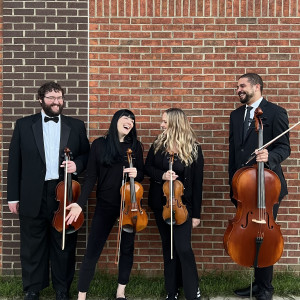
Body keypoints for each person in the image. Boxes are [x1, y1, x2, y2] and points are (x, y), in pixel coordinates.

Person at [7, 82, 90, 300]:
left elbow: (87, 157)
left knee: (64, 243)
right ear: (40, 100)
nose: (56, 101)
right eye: (51, 97)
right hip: (32, 193)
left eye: (59, 97)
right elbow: (14, 163)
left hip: (64, 193)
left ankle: (62, 289)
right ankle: (33, 288)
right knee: (32, 245)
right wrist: (13, 197)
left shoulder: (76, 126)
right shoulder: (24, 125)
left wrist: (77, 165)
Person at [65, 109, 144, 300]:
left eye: (132, 120)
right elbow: (91, 177)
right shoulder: (100, 145)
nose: (130, 121)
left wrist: (136, 173)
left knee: (127, 248)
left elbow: (141, 175)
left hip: (129, 206)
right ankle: (82, 294)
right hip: (105, 205)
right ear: (116, 120)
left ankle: (120, 292)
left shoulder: (135, 146)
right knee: (93, 249)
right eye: (126, 118)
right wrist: (79, 204)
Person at [228, 73, 290, 300]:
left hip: (268, 187)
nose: (238, 90)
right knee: (251, 234)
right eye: (237, 87)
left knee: (263, 235)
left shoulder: (276, 112)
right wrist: (233, 185)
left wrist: (269, 156)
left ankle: (266, 288)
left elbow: (285, 148)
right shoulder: (236, 115)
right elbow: (233, 153)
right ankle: (256, 284)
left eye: (242, 86)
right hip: (244, 186)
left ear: (257, 86)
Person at [145, 108, 203, 300]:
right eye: (162, 122)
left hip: (183, 207)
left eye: (164, 122)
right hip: (161, 205)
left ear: (175, 123)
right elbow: (147, 168)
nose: (161, 125)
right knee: (168, 247)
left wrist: (196, 215)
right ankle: (172, 290)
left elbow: (197, 184)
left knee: (183, 248)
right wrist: (162, 175)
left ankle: (192, 289)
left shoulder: (194, 149)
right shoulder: (158, 144)